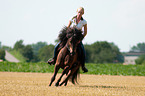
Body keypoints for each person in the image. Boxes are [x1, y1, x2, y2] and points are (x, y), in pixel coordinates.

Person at [47, 7, 88, 73]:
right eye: (79, 12)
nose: (79, 13)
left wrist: (80, 39)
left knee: (82, 50)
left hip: (77, 39)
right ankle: (54, 59)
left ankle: (83, 66)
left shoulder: (84, 22)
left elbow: (85, 32)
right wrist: (66, 36)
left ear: (83, 13)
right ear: (76, 12)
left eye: (81, 12)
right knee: (57, 46)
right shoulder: (72, 19)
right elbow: (67, 27)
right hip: (70, 37)